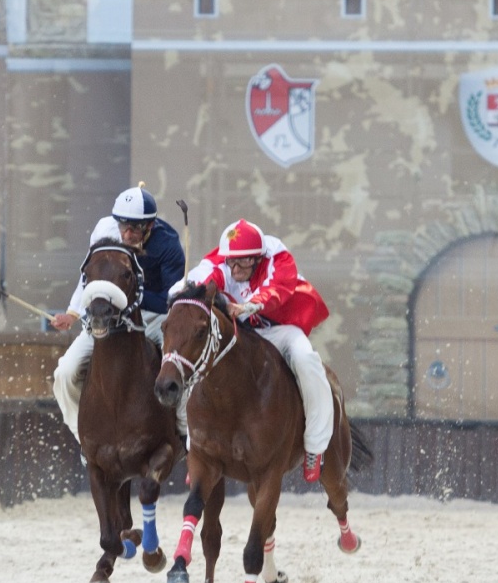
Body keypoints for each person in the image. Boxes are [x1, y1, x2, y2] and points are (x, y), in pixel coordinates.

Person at [186, 219, 332, 482]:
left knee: (307, 359)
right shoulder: (222, 260)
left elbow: (278, 289)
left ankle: (315, 446)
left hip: (280, 330)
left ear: (257, 258)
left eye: (243, 262)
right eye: (231, 261)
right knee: (198, 363)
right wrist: (183, 293)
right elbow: (202, 280)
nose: (235, 268)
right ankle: (195, 449)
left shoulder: (277, 254)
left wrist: (249, 305)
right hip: (243, 335)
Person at [51, 186, 186, 442]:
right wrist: (73, 313)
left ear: (150, 225)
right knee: (64, 373)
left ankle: (183, 432)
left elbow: (170, 300)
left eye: (135, 227)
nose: (127, 233)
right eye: (123, 225)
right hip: (111, 314)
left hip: (153, 315)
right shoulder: (104, 230)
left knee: (180, 363)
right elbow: (88, 277)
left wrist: (129, 294)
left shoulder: (168, 244)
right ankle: (84, 438)